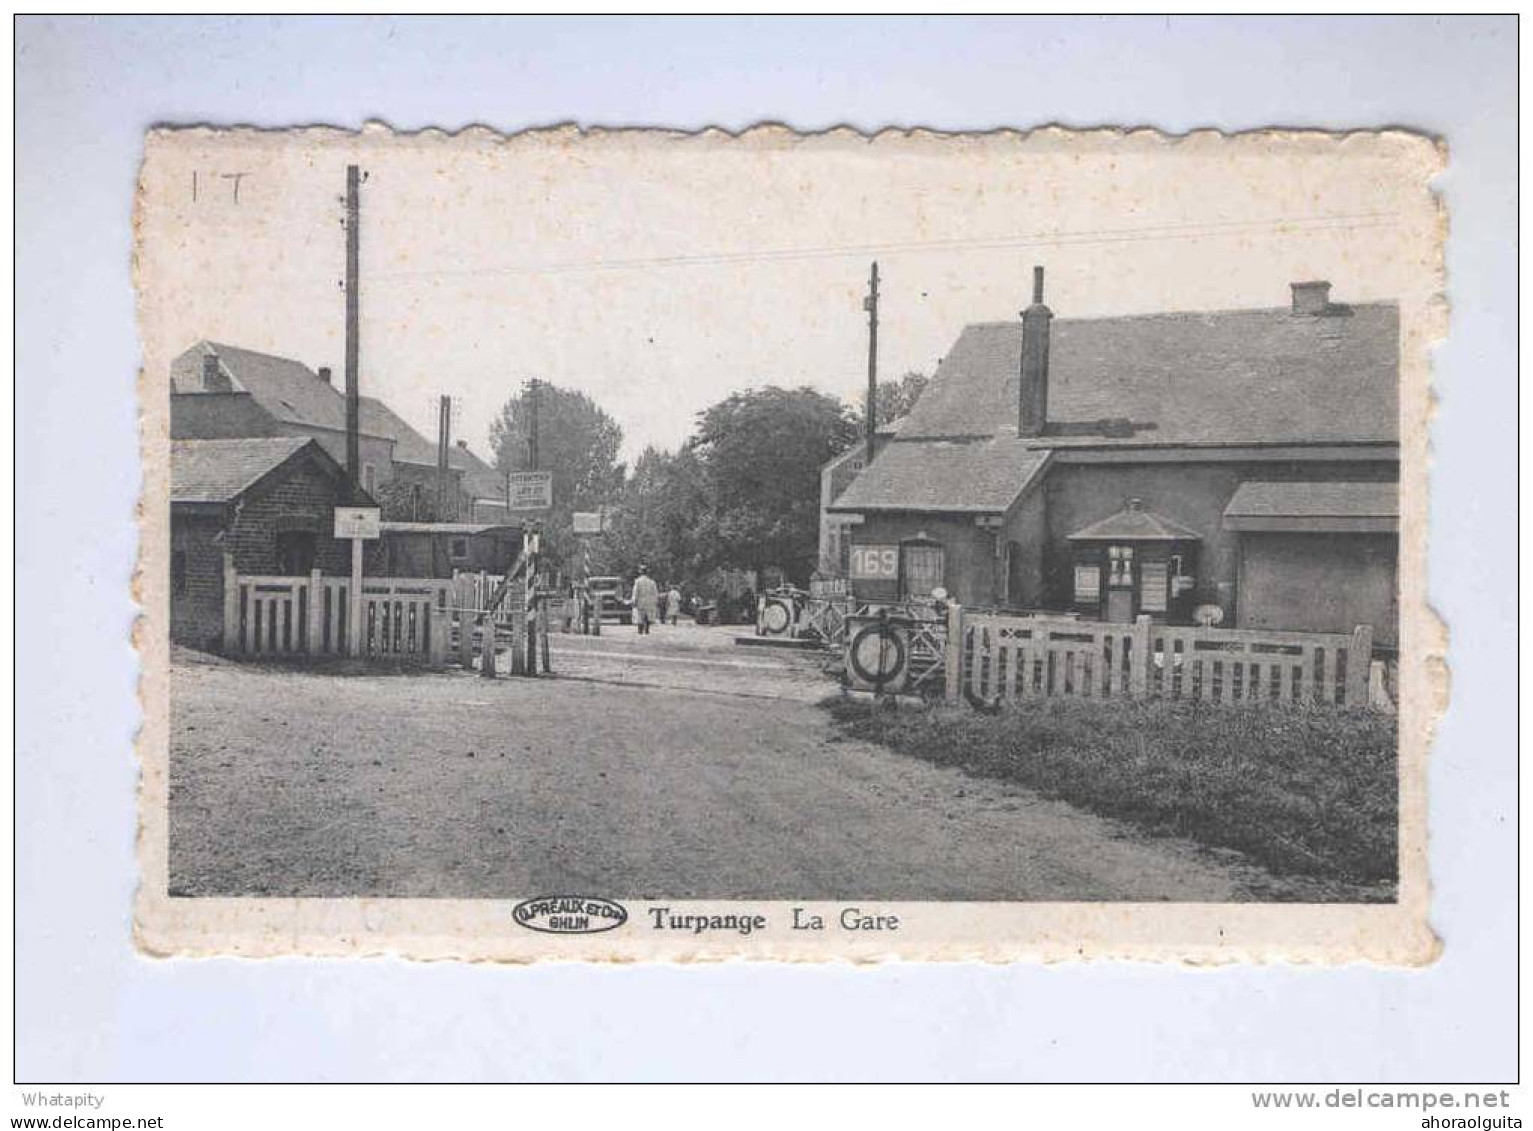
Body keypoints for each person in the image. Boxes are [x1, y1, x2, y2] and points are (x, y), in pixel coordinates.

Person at [630, 565, 660, 635]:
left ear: (640, 572)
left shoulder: (638, 581)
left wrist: (634, 601)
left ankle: (640, 630)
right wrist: (655, 601)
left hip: (640, 601)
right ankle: (647, 629)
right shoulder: (652, 582)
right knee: (648, 616)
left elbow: (635, 592)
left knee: (640, 616)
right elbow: (655, 593)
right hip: (650, 602)